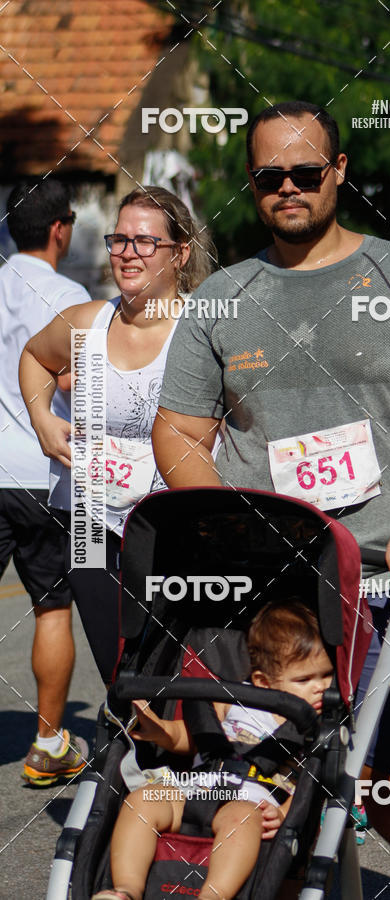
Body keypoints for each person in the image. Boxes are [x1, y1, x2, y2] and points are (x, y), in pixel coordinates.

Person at [152, 101, 390, 900]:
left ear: (339, 172)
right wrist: (235, 526)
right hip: (274, 590)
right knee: (273, 785)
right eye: (271, 177)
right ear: (252, 184)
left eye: (307, 172)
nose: (289, 188)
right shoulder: (222, 299)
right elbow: (178, 435)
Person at [20, 186, 214, 684]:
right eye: (119, 240)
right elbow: (36, 358)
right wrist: (42, 419)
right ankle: (132, 751)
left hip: (174, 525)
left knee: (172, 666)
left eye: (146, 242)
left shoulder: (203, 327)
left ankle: (163, 754)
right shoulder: (88, 322)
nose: (128, 253)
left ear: (180, 252)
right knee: (118, 666)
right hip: (89, 522)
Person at [90, 601, 334, 900]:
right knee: (141, 800)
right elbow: (195, 737)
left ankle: (213, 895)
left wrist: (285, 813)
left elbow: (312, 781)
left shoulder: (312, 726)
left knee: (242, 820)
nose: (321, 687)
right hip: (193, 788)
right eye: (305, 679)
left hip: (249, 800)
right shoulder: (232, 699)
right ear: (262, 681)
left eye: (326, 675)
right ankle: (125, 890)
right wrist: (163, 732)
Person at [0, 179, 92, 785]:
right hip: (45, 472)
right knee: (51, 607)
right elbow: (74, 387)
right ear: (62, 228)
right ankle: (49, 744)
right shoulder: (71, 296)